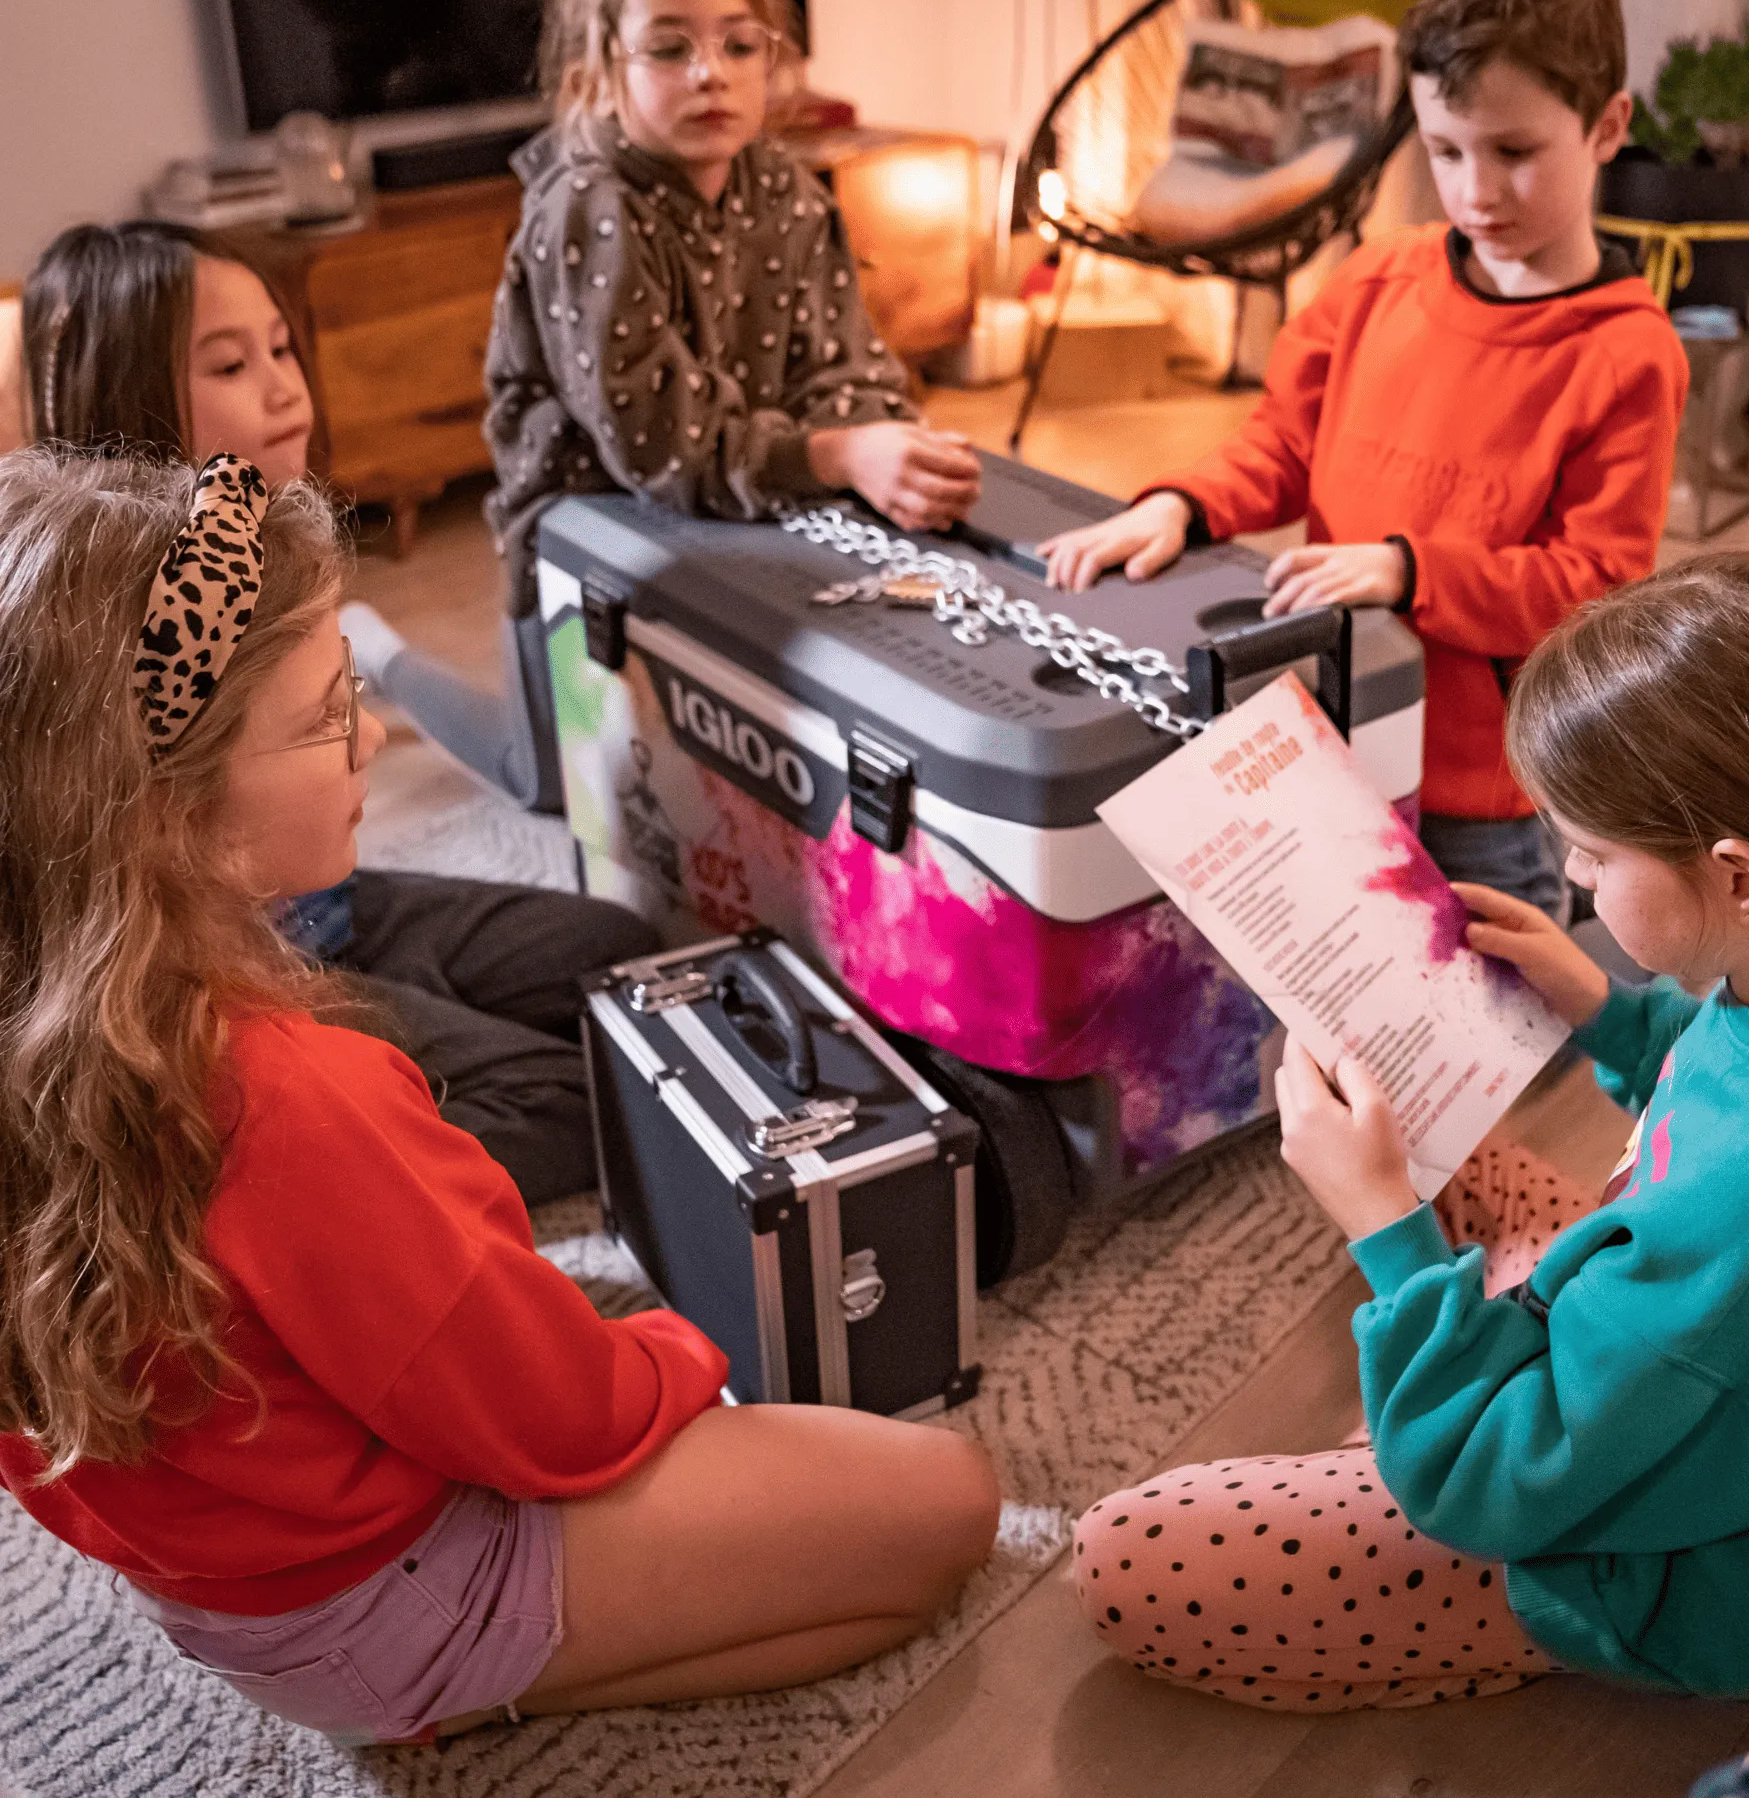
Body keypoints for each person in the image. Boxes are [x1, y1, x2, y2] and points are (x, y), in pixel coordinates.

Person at [0, 448, 1000, 1745]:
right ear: (159, 813)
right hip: (376, 1588)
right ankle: (464, 1683)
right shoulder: (285, 1093)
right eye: (320, 717)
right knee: (947, 1501)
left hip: (228, 1593)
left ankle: (462, 1671)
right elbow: (556, 1413)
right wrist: (683, 1359)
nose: (368, 734)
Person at [1074, 551, 1749, 1710]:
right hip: (1724, 1347)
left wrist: (1384, 1230)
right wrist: (1603, 1004)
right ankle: (1474, 1328)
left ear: (1739, 878)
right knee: (1433, 1128)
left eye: (1592, 854)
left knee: (1129, 1554)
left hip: (1675, 1561)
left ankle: (1449, 1374)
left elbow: (1488, 1482)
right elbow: (1733, 1083)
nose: (1568, 871)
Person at [1039, 0, 1690, 917]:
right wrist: (1184, 502)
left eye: (1514, 151)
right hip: (1331, 739)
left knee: (1486, 1045)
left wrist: (1410, 570)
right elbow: (1281, 446)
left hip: (1484, 794)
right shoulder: (1377, 278)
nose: (1474, 189)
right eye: (1444, 151)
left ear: (1605, 127)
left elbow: (1591, 593)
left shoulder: (1625, 354)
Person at [23, 220, 657, 1207]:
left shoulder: (256, 535)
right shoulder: (146, 607)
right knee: (562, 1093)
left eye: (283, 348)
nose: (283, 387)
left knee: (620, 953)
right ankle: (307, 1185)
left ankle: (417, 1033)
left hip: (323, 899)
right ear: (127, 393)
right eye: (230, 363)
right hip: (231, 958)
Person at [340, 0, 983, 813]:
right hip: (589, 519)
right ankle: (382, 652)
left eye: (737, 44)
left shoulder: (789, 191)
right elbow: (658, 445)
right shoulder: (587, 204)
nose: (709, 73)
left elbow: (846, 366)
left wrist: (883, 446)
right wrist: (836, 454)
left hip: (742, 505)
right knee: (552, 788)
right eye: (670, 48)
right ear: (606, 68)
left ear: (774, 59)